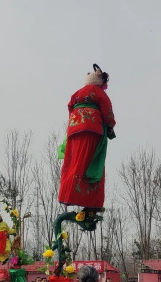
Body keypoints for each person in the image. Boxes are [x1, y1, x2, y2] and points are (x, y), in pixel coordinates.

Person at [58, 64, 116, 214]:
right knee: (92, 162)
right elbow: (107, 111)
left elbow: (70, 107)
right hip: (92, 129)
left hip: (74, 130)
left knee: (74, 163)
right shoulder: (98, 92)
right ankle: (91, 200)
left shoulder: (77, 93)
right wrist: (110, 125)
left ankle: (69, 194)